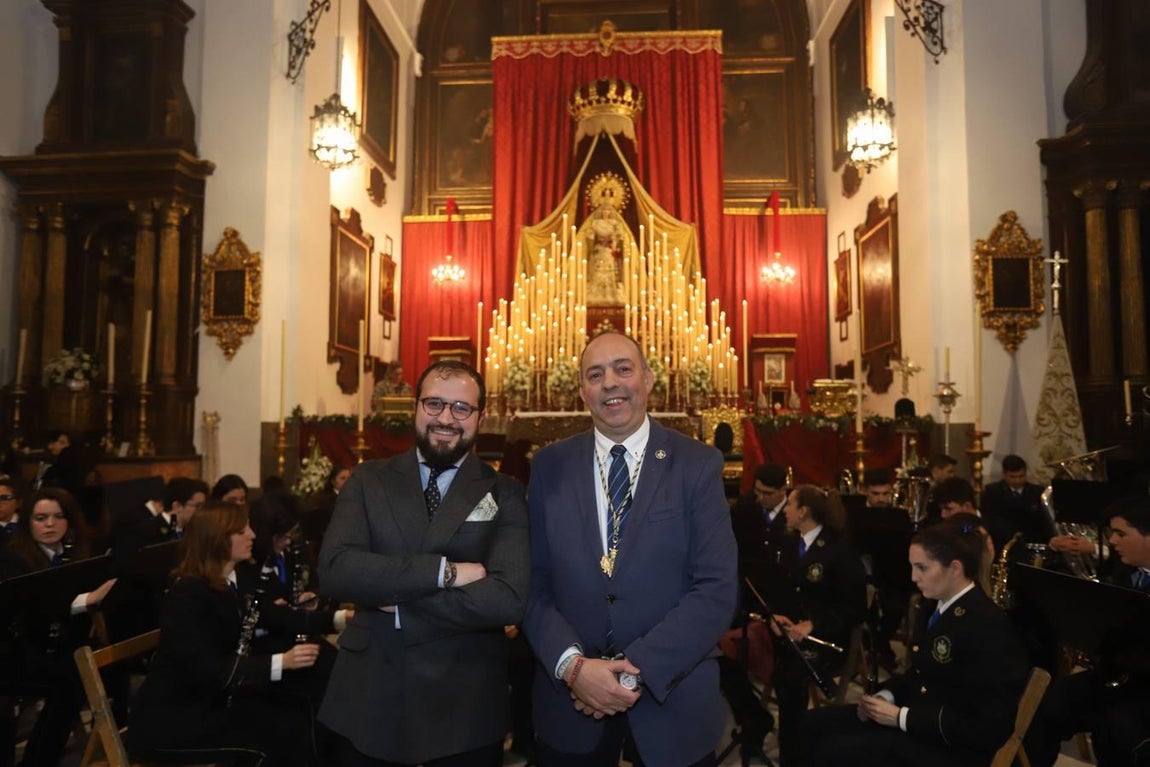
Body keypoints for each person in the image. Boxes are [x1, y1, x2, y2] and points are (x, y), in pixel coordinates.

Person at [524, 331, 738, 767]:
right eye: (595, 374)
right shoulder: (549, 466)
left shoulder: (696, 464)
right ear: (582, 390)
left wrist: (629, 671)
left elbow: (715, 588)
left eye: (623, 368)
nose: (610, 383)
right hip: (570, 703)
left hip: (672, 699)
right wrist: (574, 668)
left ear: (649, 379)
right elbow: (531, 582)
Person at [318, 360, 529, 766]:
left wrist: (396, 603)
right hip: (368, 698)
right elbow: (336, 569)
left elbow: (507, 597)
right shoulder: (368, 480)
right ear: (415, 407)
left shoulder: (505, 491)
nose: (446, 418)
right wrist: (444, 573)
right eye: (434, 404)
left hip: (463, 707)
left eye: (461, 408)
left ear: (480, 417)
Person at [801, 519, 1029, 767]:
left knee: (834, 751)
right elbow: (920, 675)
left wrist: (901, 717)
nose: (913, 577)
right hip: (920, 724)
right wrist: (885, 696)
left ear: (954, 569)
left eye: (922, 568)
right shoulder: (933, 605)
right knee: (812, 724)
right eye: (912, 567)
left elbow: (985, 725)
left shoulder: (986, 624)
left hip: (952, 748)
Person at [127, 501, 323, 766]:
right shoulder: (188, 593)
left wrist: (333, 619)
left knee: (297, 711)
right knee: (275, 738)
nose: (253, 535)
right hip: (174, 719)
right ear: (217, 540)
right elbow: (206, 669)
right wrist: (282, 661)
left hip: (210, 702)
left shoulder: (231, 581)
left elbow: (272, 616)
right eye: (242, 531)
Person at [1024, 496, 1150, 767]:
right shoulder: (1123, 570)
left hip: (1144, 684)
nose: (1112, 541)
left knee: (1118, 726)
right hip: (1117, 672)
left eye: (1120, 533)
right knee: (1050, 704)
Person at [0, 488, 116, 767]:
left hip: (57, 647)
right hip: (16, 651)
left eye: (57, 517)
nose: (49, 525)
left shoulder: (76, 552)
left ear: (70, 520)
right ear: (28, 522)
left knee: (92, 673)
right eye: (41, 518)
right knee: (69, 682)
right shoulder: (13, 557)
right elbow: (32, 608)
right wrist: (87, 599)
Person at [770, 485, 867, 767]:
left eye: (789, 505)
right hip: (789, 634)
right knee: (734, 650)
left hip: (827, 639)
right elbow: (781, 593)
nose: (784, 510)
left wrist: (814, 624)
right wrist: (776, 618)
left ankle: (794, 755)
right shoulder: (789, 544)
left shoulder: (839, 549)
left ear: (804, 511)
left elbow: (855, 609)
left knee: (790, 675)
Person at [721, 462, 789, 760]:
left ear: (783, 490)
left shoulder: (797, 515)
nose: (761, 498)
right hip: (747, 601)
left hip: (784, 612)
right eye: (757, 491)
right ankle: (753, 717)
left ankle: (765, 726)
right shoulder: (744, 510)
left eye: (769, 493)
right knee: (721, 654)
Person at [980, 455, 1050, 548]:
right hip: (1002, 543)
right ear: (1004, 475)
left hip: (1031, 542)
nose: (1017, 480)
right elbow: (989, 520)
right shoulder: (992, 492)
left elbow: (1044, 521)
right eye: (1012, 477)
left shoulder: (1037, 492)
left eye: (1021, 476)